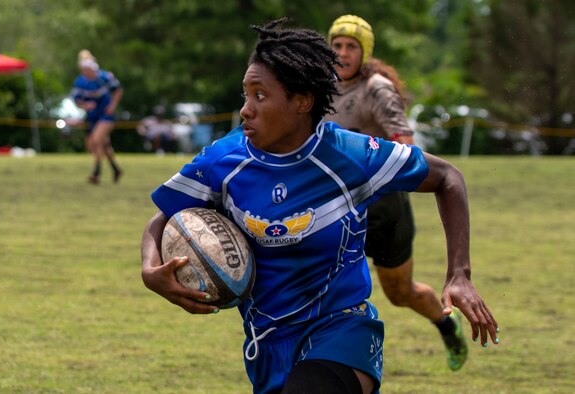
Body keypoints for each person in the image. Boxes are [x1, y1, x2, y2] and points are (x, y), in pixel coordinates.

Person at [141, 18, 499, 394]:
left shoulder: (350, 155)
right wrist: (150, 269)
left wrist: (460, 273)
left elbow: (448, 177)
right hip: (268, 342)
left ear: (302, 101)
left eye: (260, 96)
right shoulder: (224, 160)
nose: (246, 109)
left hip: (343, 331)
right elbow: (165, 216)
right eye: (245, 95)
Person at [325, 14, 474, 371]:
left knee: (399, 292)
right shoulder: (322, 86)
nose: (343, 53)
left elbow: (405, 145)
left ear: (365, 52)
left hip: (385, 209)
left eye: (351, 47)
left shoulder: (376, 88)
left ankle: (444, 322)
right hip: (339, 208)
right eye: (337, 45)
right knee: (328, 284)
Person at [71, 49, 123, 184]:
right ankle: (116, 169)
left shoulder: (105, 77)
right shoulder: (80, 82)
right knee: (103, 145)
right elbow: (77, 101)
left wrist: (112, 106)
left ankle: (96, 173)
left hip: (106, 116)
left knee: (96, 141)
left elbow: (118, 90)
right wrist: (85, 105)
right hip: (92, 117)